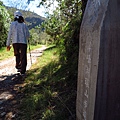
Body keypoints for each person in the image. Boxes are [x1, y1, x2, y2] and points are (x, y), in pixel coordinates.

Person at [6, 11, 30, 75]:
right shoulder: (24, 25)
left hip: (15, 43)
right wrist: (27, 37)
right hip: (23, 43)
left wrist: (8, 44)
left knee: (17, 55)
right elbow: (28, 35)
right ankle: (23, 71)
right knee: (23, 56)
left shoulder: (12, 24)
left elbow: (9, 34)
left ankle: (18, 67)